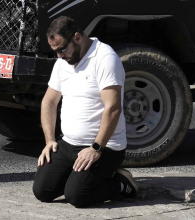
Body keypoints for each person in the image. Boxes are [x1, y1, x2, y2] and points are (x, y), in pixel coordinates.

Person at [33, 16, 137, 208]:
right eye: (55, 51)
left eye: (62, 49)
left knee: (77, 197)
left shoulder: (105, 58)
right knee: (42, 191)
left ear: (77, 38)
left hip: (105, 147)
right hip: (69, 143)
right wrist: (49, 141)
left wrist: (96, 148)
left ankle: (121, 184)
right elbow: (49, 101)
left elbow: (113, 108)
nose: (59, 56)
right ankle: (81, 179)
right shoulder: (62, 62)